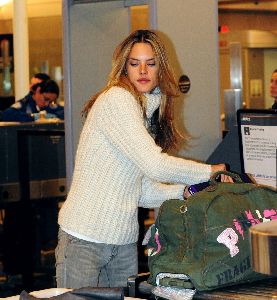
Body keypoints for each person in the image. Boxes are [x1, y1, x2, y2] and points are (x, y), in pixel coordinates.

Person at [55, 29, 230, 289]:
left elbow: (140, 190)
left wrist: (186, 192)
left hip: (122, 244)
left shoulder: (147, 111)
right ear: (124, 68)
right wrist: (210, 172)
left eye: (150, 64)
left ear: (161, 68)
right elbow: (155, 165)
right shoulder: (117, 99)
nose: (143, 71)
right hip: (84, 240)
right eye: (134, 64)